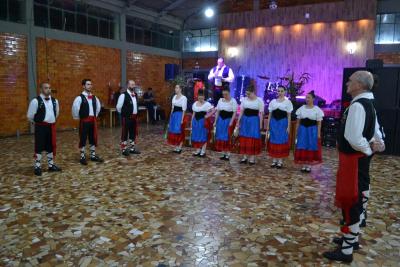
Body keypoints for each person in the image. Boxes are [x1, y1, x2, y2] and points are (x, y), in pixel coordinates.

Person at [323, 71, 385, 263]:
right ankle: (352, 239)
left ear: (359, 84)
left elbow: (354, 137)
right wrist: (377, 145)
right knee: (358, 197)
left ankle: (347, 251)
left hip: (353, 161)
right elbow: (377, 133)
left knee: (351, 201)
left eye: (350, 81)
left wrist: (367, 150)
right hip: (358, 160)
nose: (347, 83)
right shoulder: (369, 104)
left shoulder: (358, 106)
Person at [27, 82, 62, 176]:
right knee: (39, 146)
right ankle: (37, 166)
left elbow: (56, 113)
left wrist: (51, 120)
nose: (48, 89)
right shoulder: (35, 101)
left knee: (50, 145)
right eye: (46, 88)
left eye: (49, 88)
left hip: (51, 126)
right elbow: (30, 115)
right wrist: (39, 122)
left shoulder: (55, 101)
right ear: (41, 89)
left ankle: (51, 165)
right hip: (40, 127)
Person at [72, 79, 104, 165]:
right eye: (88, 84)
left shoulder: (94, 97)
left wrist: (94, 116)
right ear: (83, 86)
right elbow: (75, 109)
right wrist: (80, 117)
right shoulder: (79, 98)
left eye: (91, 84)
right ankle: (82, 156)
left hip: (92, 121)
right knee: (83, 138)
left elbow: (98, 107)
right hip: (84, 121)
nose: (90, 86)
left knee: (93, 137)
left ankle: (93, 155)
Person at [294, 91, 324, 172]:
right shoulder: (301, 109)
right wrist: (297, 132)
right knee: (303, 145)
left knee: (310, 146)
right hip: (303, 130)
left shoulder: (317, 110)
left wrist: (318, 134)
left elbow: (319, 124)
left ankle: (309, 166)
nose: (307, 99)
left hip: (312, 131)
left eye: (309, 97)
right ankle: (304, 165)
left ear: (313, 99)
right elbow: (298, 122)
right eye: (306, 97)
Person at [266, 86, 293, 168]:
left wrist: (288, 126)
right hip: (274, 123)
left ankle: (280, 161)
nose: (280, 92)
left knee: (281, 141)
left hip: (282, 123)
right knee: (273, 140)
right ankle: (274, 161)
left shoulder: (288, 102)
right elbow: (270, 114)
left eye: (281, 91)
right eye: (278, 91)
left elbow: (289, 116)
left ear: (285, 92)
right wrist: (268, 125)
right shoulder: (273, 102)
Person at [235, 85, 264, 164]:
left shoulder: (259, 100)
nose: (247, 95)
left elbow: (261, 113)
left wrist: (261, 124)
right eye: (246, 94)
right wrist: (238, 121)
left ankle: (252, 158)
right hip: (245, 120)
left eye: (249, 94)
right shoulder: (244, 100)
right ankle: (244, 157)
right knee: (244, 137)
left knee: (253, 138)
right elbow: (241, 112)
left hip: (254, 121)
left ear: (253, 92)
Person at [116, 80, 141, 156]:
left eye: (134, 84)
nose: (133, 86)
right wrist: (124, 114)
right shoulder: (123, 95)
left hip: (134, 118)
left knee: (133, 133)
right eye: (131, 84)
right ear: (128, 85)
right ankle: (124, 149)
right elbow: (118, 107)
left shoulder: (135, 95)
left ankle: (132, 149)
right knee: (125, 133)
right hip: (126, 118)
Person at [214, 87, 238, 160]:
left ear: (229, 93)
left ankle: (228, 154)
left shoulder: (233, 101)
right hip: (221, 120)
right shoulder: (220, 100)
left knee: (227, 136)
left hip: (228, 120)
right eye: (223, 94)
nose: (225, 96)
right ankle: (223, 153)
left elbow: (234, 112)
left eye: (226, 94)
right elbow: (218, 111)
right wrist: (215, 121)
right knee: (221, 136)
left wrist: (231, 121)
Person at [191, 89, 214, 157]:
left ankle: (203, 151)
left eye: (202, 96)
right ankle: (198, 150)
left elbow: (213, 110)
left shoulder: (207, 104)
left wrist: (207, 115)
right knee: (197, 136)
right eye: (199, 96)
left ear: (204, 96)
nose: (200, 97)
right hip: (196, 121)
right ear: (197, 96)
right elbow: (194, 113)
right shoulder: (195, 104)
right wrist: (192, 122)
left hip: (203, 122)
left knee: (203, 136)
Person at [167, 84, 188, 153]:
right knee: (174, 131)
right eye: (175, 88)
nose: (175, 89)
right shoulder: (174, 97)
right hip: (174, 116)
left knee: (179, 131)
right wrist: (170, 117)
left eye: (177, 88)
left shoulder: (184, 98)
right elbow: (172, 108)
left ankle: (180, 147)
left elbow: (184, 110)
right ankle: (176, 146)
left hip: (180, 116)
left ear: (180, 89)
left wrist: (182, 119)